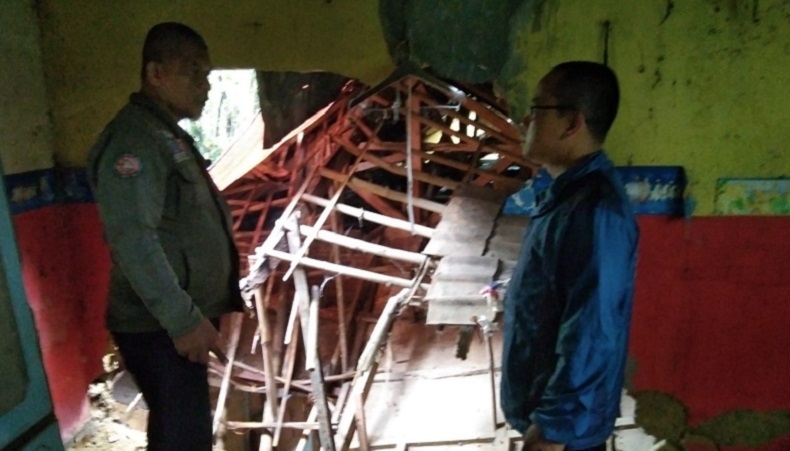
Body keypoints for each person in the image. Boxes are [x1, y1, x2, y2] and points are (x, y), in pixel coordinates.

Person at [87, 22, 243, 450]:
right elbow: (132, 237)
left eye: (207, 74)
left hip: (175, 321)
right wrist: (183, 319)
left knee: (181, 431)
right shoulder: (135, 140)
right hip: (160, 325)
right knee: (184, 437)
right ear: (155, 74)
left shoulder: (163, 134)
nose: (206, 86)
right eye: (193, 72)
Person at [500, 61, 639, 451]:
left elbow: (592, 332)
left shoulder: (594, 211)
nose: (526, 118)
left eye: (537, 107)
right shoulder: (566, 196)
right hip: (550, 421)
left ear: (571, 123)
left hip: (564, 436)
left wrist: (551, 432)